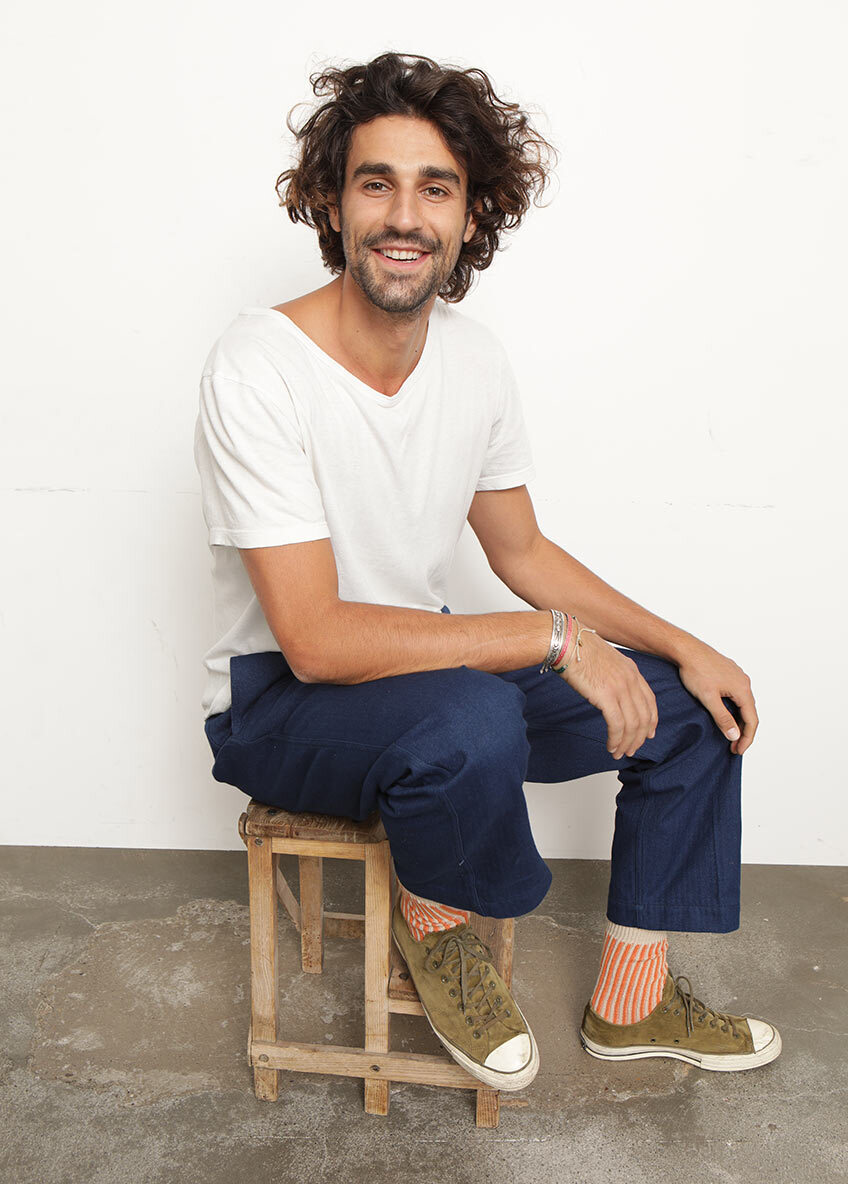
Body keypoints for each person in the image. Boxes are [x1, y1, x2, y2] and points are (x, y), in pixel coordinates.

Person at [193, 51, 781, 1093]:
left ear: (471, 217)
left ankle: (632, 997)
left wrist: (683, 646)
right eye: (375, 183)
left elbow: (521, 552)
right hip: (279, 703)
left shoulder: (473, 361)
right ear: (331, 202)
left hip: (426, 682)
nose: (403, 216)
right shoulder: (257, 367)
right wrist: (552, 641)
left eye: (435, 188)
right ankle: (435, 924)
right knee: (472, 712)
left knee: (691, 710)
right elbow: (315, 641)